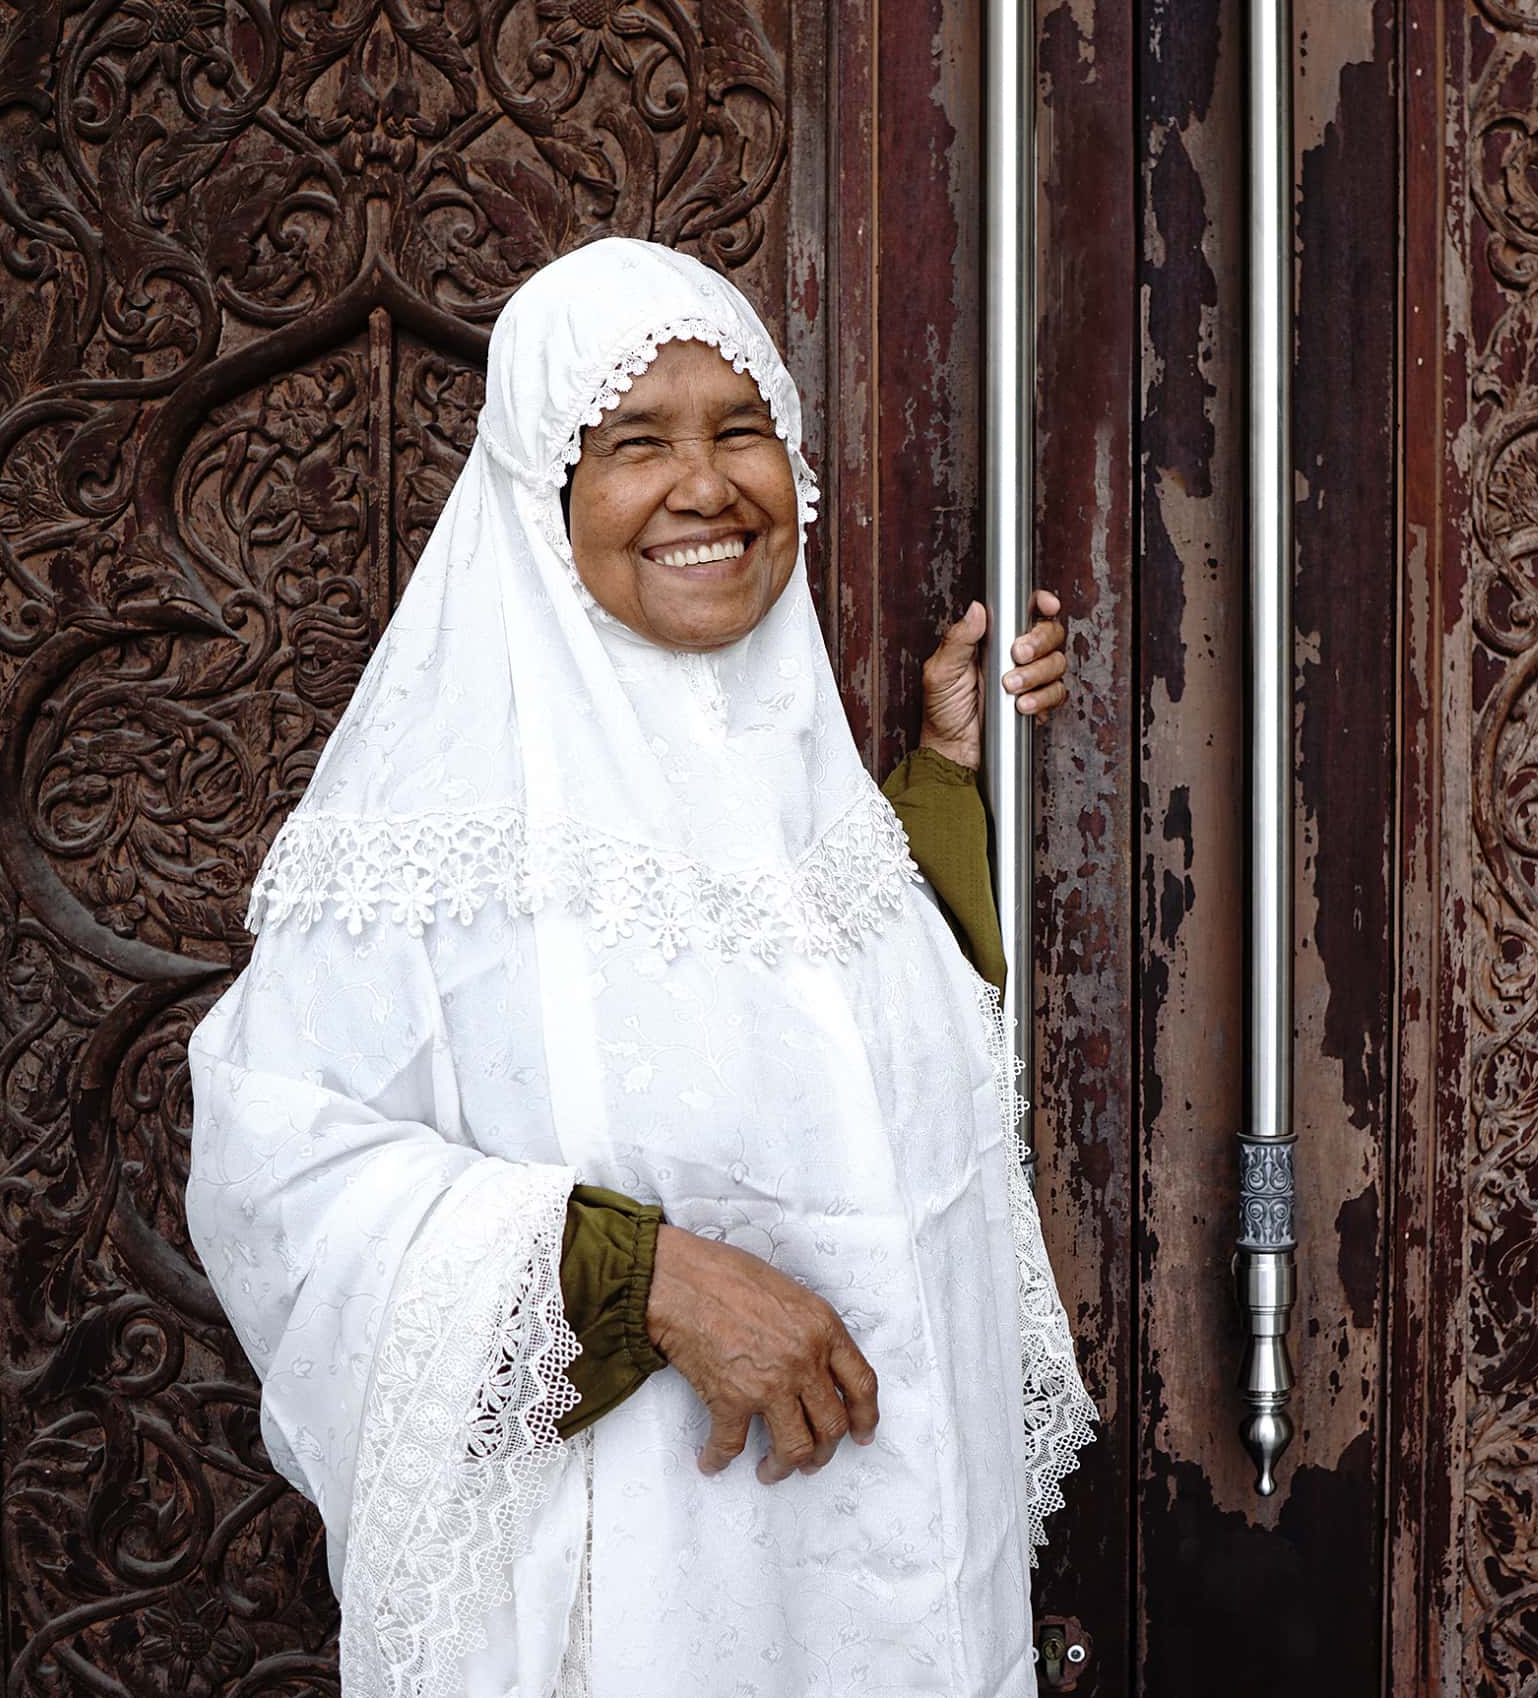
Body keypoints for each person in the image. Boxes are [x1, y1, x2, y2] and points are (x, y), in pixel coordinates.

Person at [185, 238, 1095, 1698]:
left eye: (742, 430)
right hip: (638, 1628)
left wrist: (941, 776)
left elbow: (875, 1086)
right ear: (546, 496)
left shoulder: (821, 808)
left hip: (888, 1614)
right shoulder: (428, 841)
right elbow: (276, 1174)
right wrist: (643, 1278)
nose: (704, 485)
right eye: (634, 442)